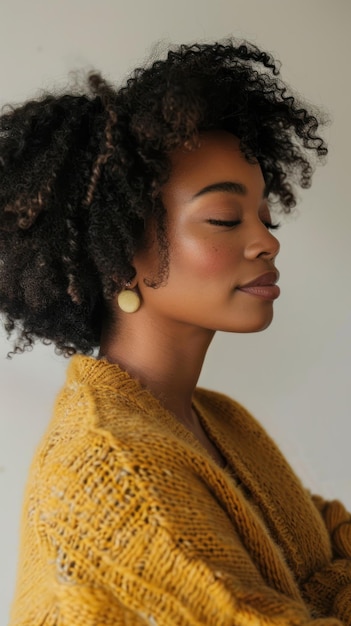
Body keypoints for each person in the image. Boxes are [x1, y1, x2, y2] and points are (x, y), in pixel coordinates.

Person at [1, 40, 350, 626]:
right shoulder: (110, 469)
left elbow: (324, 554)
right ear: (119, 253)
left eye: (266, 215)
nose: (268, 241)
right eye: (224, 218)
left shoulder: (220, 421)